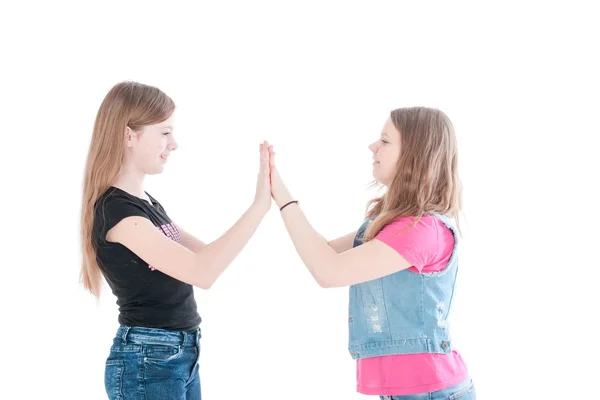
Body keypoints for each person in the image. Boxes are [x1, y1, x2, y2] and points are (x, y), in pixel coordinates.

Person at [79, 81, 272, 399]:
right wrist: (258, 207)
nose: (174, 144)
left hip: (179, 354)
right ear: (130, 135)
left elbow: (208, 256)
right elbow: (202, 272)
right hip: (148, 359)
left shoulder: (147, 204)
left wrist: (261, 203)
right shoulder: (117, 212)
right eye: (165, 133)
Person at [268, 107, 476, 399]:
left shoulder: (421, 230)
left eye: (385, 141)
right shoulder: (397, 224)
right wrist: (280, 194)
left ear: (413, 154)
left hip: (430, 391)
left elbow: (328, 271)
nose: (373, 147)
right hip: (411, 392)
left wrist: (282, 196)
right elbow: (325, 253)